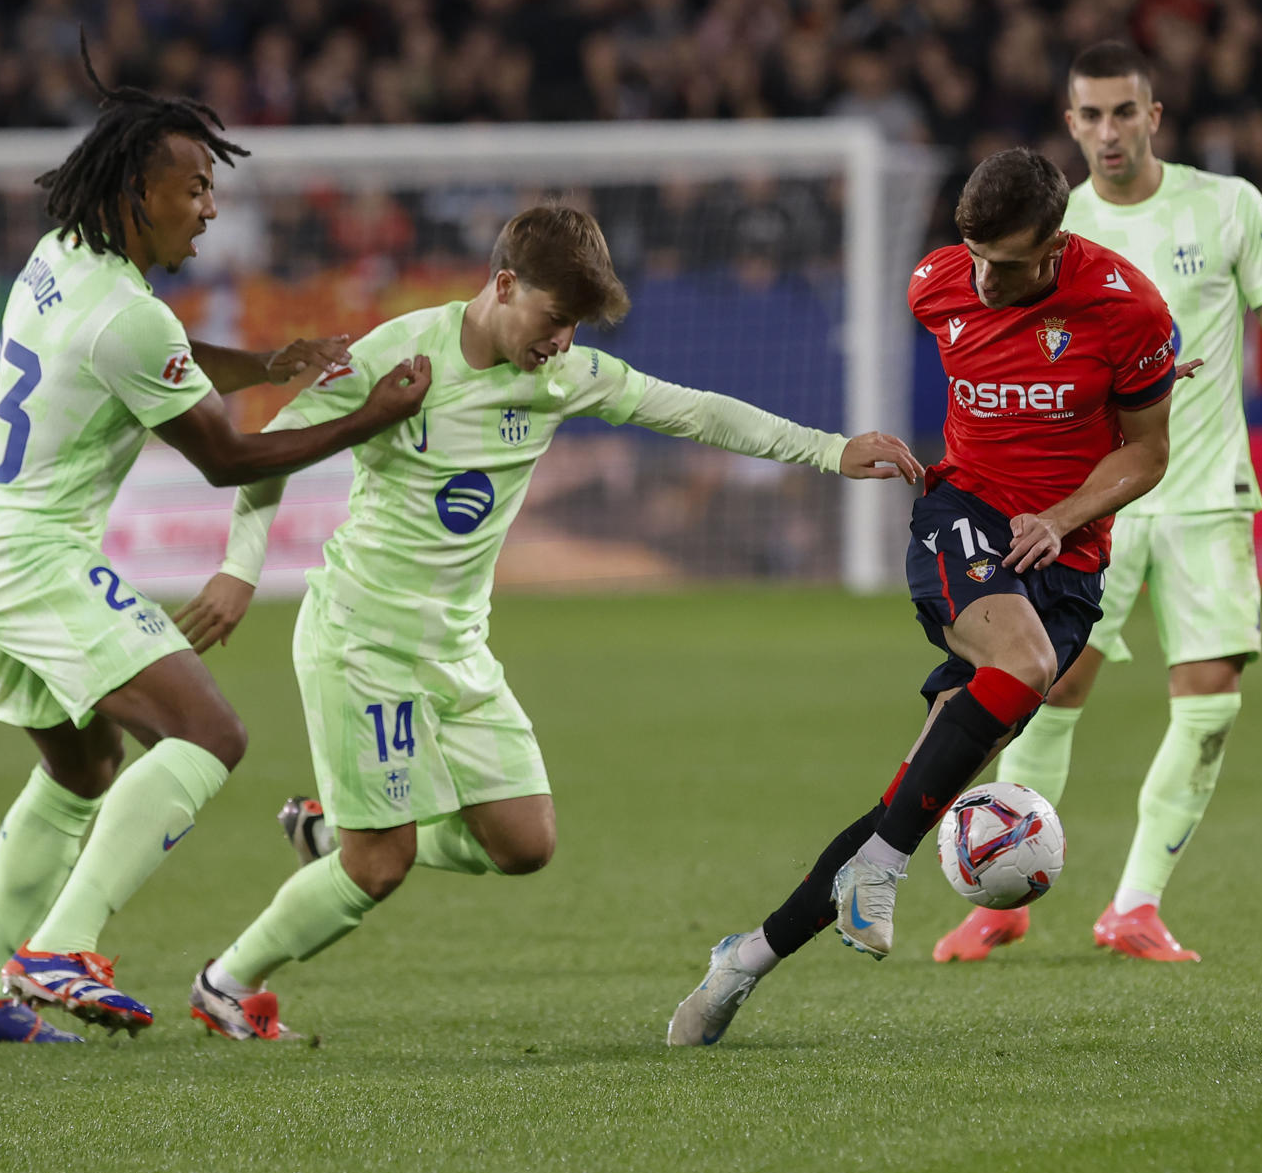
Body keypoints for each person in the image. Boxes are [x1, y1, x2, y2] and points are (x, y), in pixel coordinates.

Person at [173, 204, 924, 1040]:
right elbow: (269, 453)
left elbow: (697, 410)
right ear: (502, 285)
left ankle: (329, 831)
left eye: (573, 327)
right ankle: (226, 981)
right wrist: (239, 572)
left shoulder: (565, 377)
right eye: (553, 319)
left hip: (456, 646)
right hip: (361, 642)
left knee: (525, 843)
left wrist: (828, 449)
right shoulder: (398, 352)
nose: (561, 341)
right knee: (377, 865)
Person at [0, 49, 430, 1046]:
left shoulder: (63, 261)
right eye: (194, 184)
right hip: (35, 556)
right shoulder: (129, 313)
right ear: (133, 188)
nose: (209, 205)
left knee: (84, 771)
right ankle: (58, 946)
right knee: (212, 736)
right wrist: (369, 415)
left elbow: (163, 356)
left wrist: (265, 363)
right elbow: (229, 458)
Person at [668, 147, 1180, 1047]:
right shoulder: (935, 286)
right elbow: (965, 300)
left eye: (1009, 263)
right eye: (974, 254)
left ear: (1057, 244)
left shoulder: (1126, 310)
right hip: (964, 518)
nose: (984, 279)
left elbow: (1146, 454)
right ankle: (884, 868)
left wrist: (1061, 517)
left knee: (913, 798)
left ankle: (744, 959)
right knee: (1018, 669)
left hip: (1063, 561)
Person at [931, 41, 1262, 967]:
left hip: (1203, 493)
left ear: (1155, 116)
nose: (1108, 131)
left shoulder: (1227, 204)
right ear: (1070, 124)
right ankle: (1002, 898)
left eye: (1124, 112)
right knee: (1047, 688)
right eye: (1090, 115)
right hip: (1089, 501)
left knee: (1210, 697)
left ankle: (1136, 905)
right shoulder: (1050, 229)